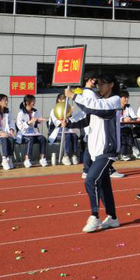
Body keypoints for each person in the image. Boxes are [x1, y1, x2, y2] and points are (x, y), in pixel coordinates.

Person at [66, 74, 122, 233]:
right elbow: (87, 119)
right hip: (95, 151)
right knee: (103, 185)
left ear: (111, 85)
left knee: (91, 179)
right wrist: (68, 123)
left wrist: (75, 96)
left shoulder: (114, 101)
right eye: (98, 84)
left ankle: (94, 215)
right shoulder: (101, 102)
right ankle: (112, 217)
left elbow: (92, 107)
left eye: (103, 84)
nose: (99, 87)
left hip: (107, 151)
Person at [16, 95, 48, 168]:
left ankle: (42, 158)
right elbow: (19, 126)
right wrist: (28, 122)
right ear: (27, 102)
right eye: (32, 101)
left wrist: (39, 121)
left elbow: (36, 121)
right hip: (24, 134)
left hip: (33, 132)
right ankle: (27, 159)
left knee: (42, 138)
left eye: (34, 101)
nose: (34, 102)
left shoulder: (35, 111)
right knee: (30, 139)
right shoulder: (21, 113)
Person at [48, 94, 79, 165]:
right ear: (59, 100)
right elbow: (56, 122)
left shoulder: (67, 109)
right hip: (56, 131)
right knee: (67, 135)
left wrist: (70, 113)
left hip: (67, 130)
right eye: (63, 100)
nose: (65, 102)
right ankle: (65, 156)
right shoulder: (54, 110)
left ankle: (74, 155)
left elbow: (71, 121)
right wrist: (62, 122)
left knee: (74, 135)